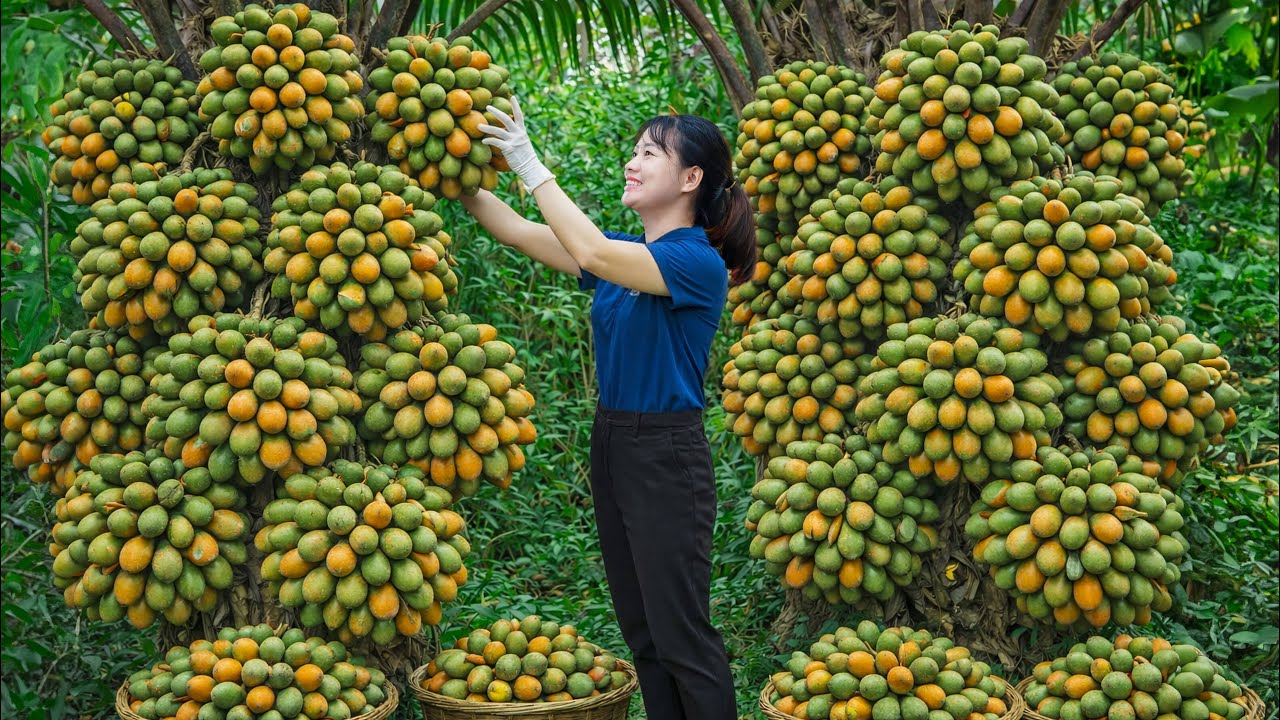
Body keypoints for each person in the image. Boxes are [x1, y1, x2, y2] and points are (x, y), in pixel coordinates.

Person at [457, 98, 755, 719]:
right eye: (635, 151)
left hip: (666, 453)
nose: (632, 163)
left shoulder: (696, 262)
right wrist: (452, 169)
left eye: (649, 153)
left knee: (681, 633)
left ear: (691, 179)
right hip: (615, 441)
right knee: (643, 631)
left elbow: (589, 252)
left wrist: (526, 158)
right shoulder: (625, 256)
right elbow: (514, 229)